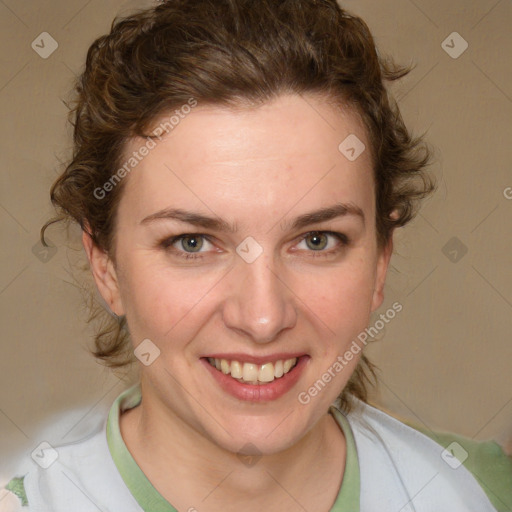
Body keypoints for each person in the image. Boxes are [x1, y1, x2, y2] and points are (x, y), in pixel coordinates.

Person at [2, 0, 511, 510]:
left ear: (381, 259)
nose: (263, 318)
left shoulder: (481, 492)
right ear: (105, 266)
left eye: (317, 240)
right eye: (192, 243)